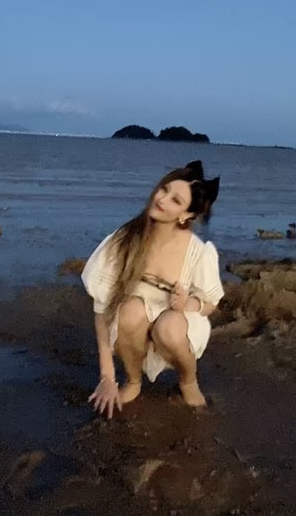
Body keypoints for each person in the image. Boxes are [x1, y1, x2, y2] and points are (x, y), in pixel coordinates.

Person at [81, 160, 224, 419]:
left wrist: (187, 304)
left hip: (178, 322)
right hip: (135, 320)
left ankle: (188, 382)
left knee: (169, 326)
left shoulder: (197, 252)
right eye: (164, 189)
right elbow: (101, 310)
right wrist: (107, 377)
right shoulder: (125, 239)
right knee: (130, 310)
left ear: (186, 216)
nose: (162, 199)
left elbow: (211, 302)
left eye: (175, 200)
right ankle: (133, 381)